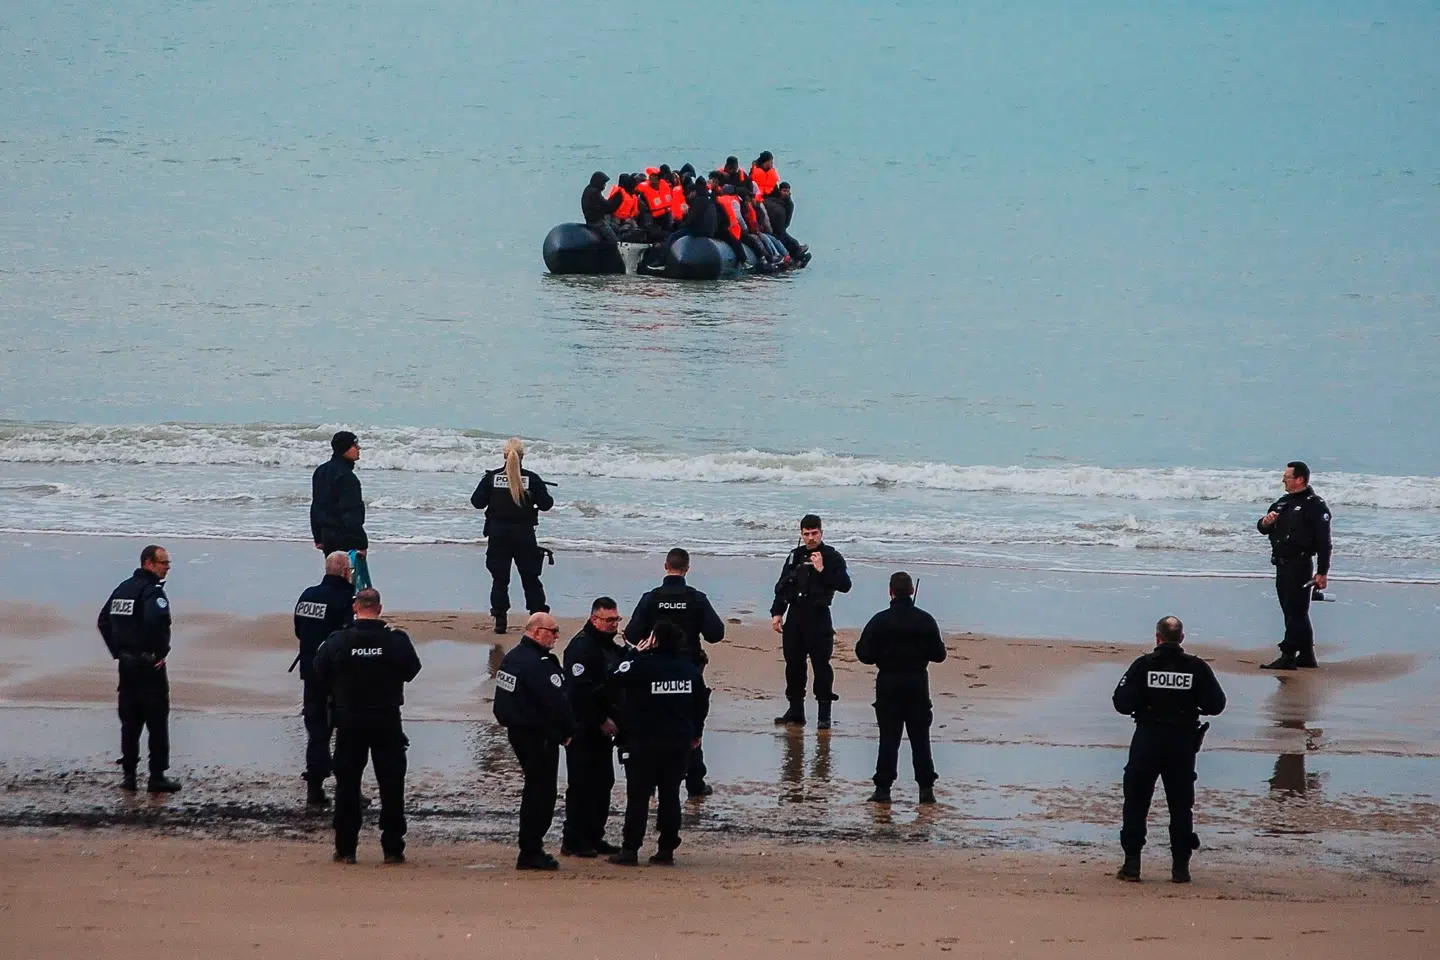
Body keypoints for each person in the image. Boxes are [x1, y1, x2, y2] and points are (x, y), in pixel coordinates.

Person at [1112, 616, 1227, 883]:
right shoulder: (1196, 668)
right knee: (1181, 806)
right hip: (1181, 744)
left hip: (1147, 740)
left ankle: (1132, 865)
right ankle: (1180, 868)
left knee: (1136, 802)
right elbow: (1216, 704)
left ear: (1157, 638)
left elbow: (1121, 702)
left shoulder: (1143, 665)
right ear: (1182, 638)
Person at [313, 587, 421, 864]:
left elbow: (319, 669)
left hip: (350, 721)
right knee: (391, 784)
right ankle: (393, 848)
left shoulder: (338, 640)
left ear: (355, 608)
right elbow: (412, 669)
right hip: (385, 719)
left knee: (347, 785)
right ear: (379, 609)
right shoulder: (395, 641)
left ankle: (346, 848)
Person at [606, 621, 708, 866]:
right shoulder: (689, 670)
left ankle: (630, 849)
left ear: (654, 640)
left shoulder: (642, 666)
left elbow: (613, 675)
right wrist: (696, 733)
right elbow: (701, 705)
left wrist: (634, 652)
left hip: (644, 741)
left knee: (638, 796)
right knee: (670, 795)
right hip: (678, 742)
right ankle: (666, 849)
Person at [625, 547, 725, 797]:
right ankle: (694, 782)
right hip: (687, 669)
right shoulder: (696, 598)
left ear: (665, 566)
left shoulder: (651, 598)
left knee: (652, 723)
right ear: (687, 569)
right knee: (690, 723)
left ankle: (650, 783)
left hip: (654, 669)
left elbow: (632, 634)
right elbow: (716, 633)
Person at [854, 572, 945, 805]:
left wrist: (883, 654)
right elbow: (939, 655)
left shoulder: (879, 620)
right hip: (917, 683)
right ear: (912, 591)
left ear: (890, 592)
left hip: (888, 683)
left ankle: (883, 789)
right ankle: (926, 790)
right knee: (920, 738)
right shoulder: (925, 620)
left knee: (888, 738)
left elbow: (863, 654)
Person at [493, 612, 575, 870]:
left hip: (519, 732)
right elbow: (556, 703)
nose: (556, 636)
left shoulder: (512, 658)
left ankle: (530, 847)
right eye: (553, 631)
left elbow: (504, 704)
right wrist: (565, 732)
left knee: (535, 789)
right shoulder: (536, 664)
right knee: (541, 793)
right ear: (537, 632)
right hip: (538, 736)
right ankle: (531, 849)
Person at [97, 544, 181, 793]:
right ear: (148, 563)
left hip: (127, 666)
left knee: (130, 723)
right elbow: (156, 621)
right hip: (148, 667)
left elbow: (103, 620)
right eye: (163, 562)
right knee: (157, 722)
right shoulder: (152, 591)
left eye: (168, 562)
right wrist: (159, 654)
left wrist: (118, 652)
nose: (167, 567)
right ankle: (157, 776)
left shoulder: (122, 589)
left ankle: (129, 776)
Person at [560, 597, 629, 857]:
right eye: (609, 620)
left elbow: (620, 665)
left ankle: (594, 836)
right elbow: (578, 693)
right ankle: (574, 840)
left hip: (603, 730)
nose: (614, 624)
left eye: (616, 619)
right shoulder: (581, 648)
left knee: (603, 782)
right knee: (581, 785)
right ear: (594, 619)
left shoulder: (607, 645)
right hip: (582, 728)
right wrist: (601, 719)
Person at [771, 514, 851, 728]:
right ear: (801, 534)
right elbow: (783, 586)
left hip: (819, 617)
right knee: (794, 666)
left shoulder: (831, 556)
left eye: (814, 533)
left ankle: (824, 714)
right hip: (795, 617)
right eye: (806, 534)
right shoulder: (794, 556)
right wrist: (777, 612)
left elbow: (845, 585)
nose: (810, 538)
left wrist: (822, 569)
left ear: (821, 533)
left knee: (821, 667)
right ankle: (795, 711)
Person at [470, 438, 555, 635]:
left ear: (504, 455)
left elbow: (477, 502)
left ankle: (500, 621)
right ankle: (538, 619)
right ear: (522, 456)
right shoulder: (532, 479)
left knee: (500, 579)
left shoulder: (492, 478)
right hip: (524, 536)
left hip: (498, 535)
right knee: (531, 578)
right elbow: (547, 504)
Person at [292, 551, 355, 807]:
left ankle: (314, 789)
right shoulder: (345, 600)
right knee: (345, 733)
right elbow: (349, 638)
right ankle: (346, 788)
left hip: (310, 671)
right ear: (346, 572)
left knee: (317, 730)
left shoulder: (307, 595)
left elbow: (299, 630)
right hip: (338, 677)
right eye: (350, 570)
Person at [1257, 461, 1333, 670]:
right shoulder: (1283, 503)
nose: (1283, 480)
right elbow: (1262, 527)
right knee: (1292, 611)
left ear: (1300, 479)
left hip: (1299, 564)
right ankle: (1307, 655)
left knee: (1295, 612)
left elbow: (1324, 542)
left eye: (1287, 477)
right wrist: (1266, 522)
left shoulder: (1314, 505)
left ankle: (1288, 655)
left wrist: (1322, 572)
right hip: (1281, 563)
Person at [311, 431, 367, 559]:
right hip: (345, 537)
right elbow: (351, 512)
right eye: (355, 445)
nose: (358, 448)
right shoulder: (347, 476)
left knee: (333, 569)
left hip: (326, 535)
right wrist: (361, 543)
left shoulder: (321, 471)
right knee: (346, 571)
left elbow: (316, 506)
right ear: (345, 448)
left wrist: (317, 536)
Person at [765, 182, 810, 265]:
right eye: (784, 191)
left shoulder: (789, 204)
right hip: (774, 227)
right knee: (782, 238)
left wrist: (782, 228)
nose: (785, 193)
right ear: (779, 191)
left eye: (787, 191)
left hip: (780, 227)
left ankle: (797, 254)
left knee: (784, 237)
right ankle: (795, 253)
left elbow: (787, 220)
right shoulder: (772, 200)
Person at [581, 171, 624, 242]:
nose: (605, 185)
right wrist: (618, 198)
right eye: (604, 183)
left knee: (616, 228)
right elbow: (607, 207)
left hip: (598, 220)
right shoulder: (594, 192)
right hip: (596, 222)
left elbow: (604, 205)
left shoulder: (590, 189)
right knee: (614, 241)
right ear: (599, 182)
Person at [634, 167, 674, 239]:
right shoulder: (643, 189)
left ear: (659, 180)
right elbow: (635, 195)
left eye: (654, 179)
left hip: (666, 213)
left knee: (669, 228)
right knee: (651, 231)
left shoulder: (666, 186)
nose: (652, 182)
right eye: (650, 179)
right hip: (650, 213)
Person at [606, 174, 642, 240]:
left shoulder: (633, 196)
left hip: (626, 220)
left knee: (633, 228)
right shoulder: (619, 194)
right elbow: (609, 209)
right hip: (615, 219)